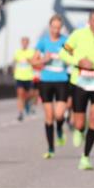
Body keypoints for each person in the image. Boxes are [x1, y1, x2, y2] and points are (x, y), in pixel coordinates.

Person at [59, 9, 94, 171]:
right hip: (79, 81)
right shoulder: (77, 35)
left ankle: (85, 157)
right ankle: (78, 129)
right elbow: (63, 53)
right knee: (79, 121)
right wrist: (79, 61)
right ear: (89, 21)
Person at [34, 14, 69, 158]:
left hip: (62, 80)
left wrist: (66, 58)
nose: (56, 30)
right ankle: (50, 149)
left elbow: (74, 57)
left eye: (58, 27)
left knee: (59, 114)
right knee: (49, 116)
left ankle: (60, 129)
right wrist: (44, 59)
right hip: (46, 81)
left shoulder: (66, 41)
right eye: (54, 27)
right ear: (50, 27)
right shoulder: (43, 42)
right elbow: (33, 61)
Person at [13, 36, 35, 121]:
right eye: (23, 42)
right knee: (20, 95)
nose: (24, 43)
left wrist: (31, 62)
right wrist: (14, 72)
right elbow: (14, 62)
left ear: (28, 43)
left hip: (29, 76)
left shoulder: (32, 52)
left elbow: (35, 62)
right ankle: (20, 113)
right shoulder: (17, 52)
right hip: (19, 77)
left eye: (26, 42)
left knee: (30, 95)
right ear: (21, 43)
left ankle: (27, 103)